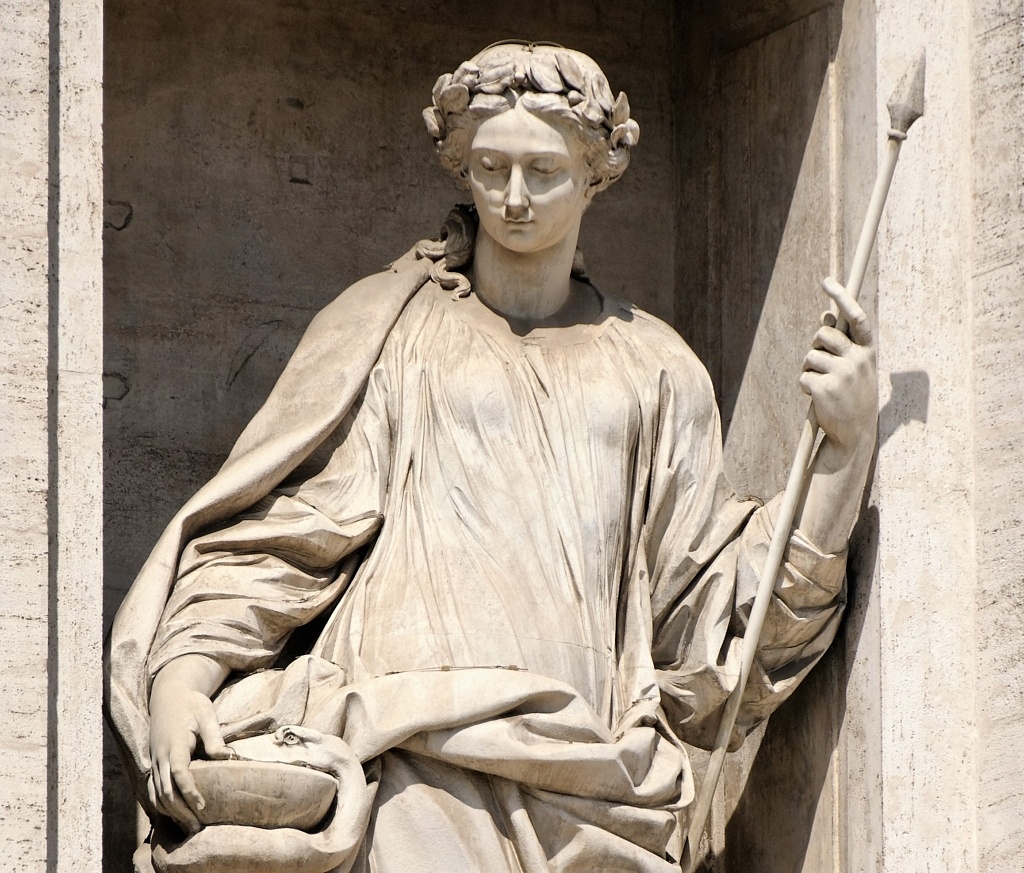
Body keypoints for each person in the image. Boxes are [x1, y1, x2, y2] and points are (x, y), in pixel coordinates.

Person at [107, 41, 877, 873]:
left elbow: (714, 617)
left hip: (591, 779)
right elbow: (281, 536)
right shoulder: (389, 329)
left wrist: (843, 450)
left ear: (597, 171)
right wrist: (182, 678)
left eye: (542, 170)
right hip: (411, 763)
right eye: (489, 167)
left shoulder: (656, 367)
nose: (513, 198)